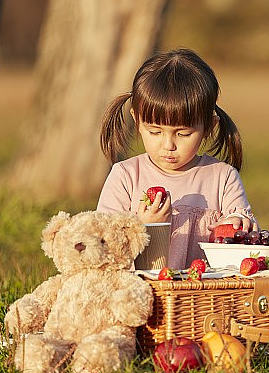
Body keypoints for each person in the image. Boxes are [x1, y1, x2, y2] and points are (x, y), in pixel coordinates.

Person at [97, 48, 257, 269]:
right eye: (154, 132)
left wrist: (239, 225)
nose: (168, 145)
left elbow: (247, 239)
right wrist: (141, 227)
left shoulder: (223, 177)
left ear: (209, 127)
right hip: (140, 294)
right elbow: (101, 246)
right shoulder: (126, 175)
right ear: (137, 120)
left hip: (202, 298)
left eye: (183, 134)